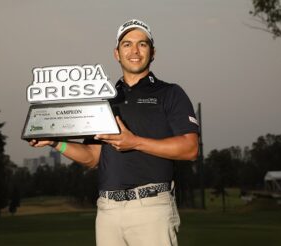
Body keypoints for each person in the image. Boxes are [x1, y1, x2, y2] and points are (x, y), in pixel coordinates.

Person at [29, 19, 199, 246]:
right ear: (117, 53)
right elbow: (92, 157)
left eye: (142, 44)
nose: (135, 51)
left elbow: (190, 148)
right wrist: (55, 142)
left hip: (151, 209)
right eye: (127, 44)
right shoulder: (104, 100)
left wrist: (135, 142)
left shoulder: (170, 93)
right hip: (107, 211)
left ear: (153, 52)